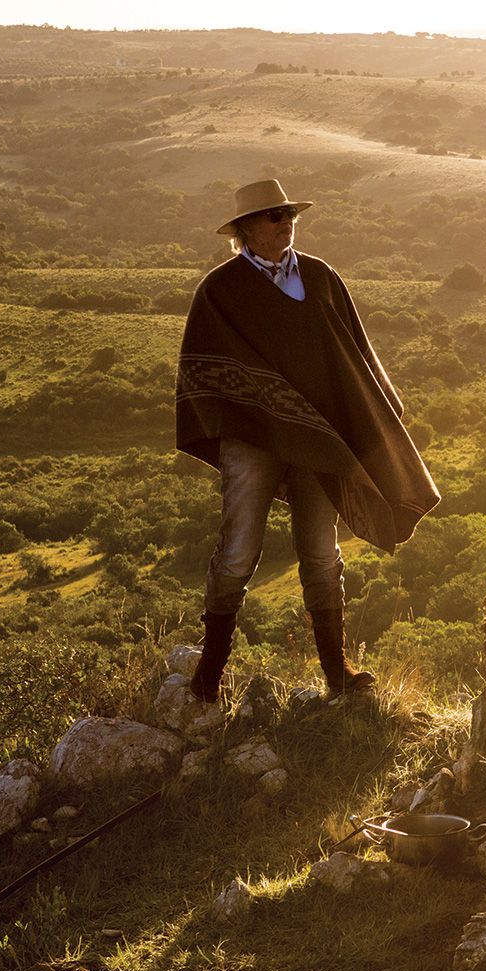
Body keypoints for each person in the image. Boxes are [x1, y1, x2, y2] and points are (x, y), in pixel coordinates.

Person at [175, 179, 439, 701]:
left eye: (289, 213)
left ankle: (337, 673)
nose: (285, 222)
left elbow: (353, 355)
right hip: (254, 437)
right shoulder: (220, 290)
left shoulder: (320, 276)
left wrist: (373, 415)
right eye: (273, 216)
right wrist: (266, 407)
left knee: (321, 552)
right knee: (238, 552)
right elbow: (203, 367)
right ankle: (210, 673)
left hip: (321, 438)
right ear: (246, 229)